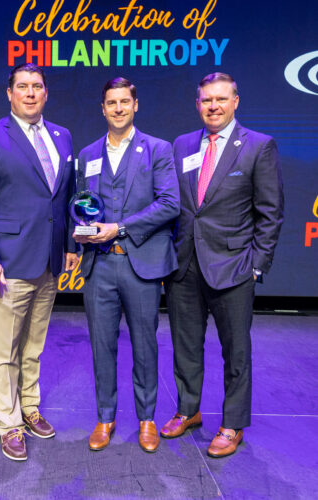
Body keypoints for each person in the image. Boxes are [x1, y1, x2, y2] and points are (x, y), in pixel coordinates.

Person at [161, 72, 284, 458]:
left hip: (234, 268)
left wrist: (257, 265)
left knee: (236, 351)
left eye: (221, 99)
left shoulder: (258, 147)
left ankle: (232, 424)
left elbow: (270, 212)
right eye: (206, 100)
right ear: (197, 104)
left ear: (235, 102)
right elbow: (177, 206)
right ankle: (188, 409)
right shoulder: (182, 145)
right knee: (185, 346)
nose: (213, 106)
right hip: (185, 267)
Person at [0, 63, 78, 461]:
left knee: (33, 345)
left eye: (37, 86)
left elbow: (65, 197)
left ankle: (29, 408)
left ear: (46, 93)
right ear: (9, 93)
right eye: (23, 87)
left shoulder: (62, 136)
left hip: (49, 261)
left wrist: (67, 246)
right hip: (9, 263)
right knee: (3, 351)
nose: (30, 93)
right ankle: (8, 423)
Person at [74, 77, 180, 453]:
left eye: (124, 101)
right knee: (101, 346)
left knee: (144, 346)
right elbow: (82, 204)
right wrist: (82, 230)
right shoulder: (87, 155)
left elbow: (170, 203)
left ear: (135, 105)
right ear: (102, 109)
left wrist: (119, 227)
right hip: (98, 266)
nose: (118, 108)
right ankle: (105, 418)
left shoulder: (158, 150)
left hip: (141, 266)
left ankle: (147, 418)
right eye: (111, 102)